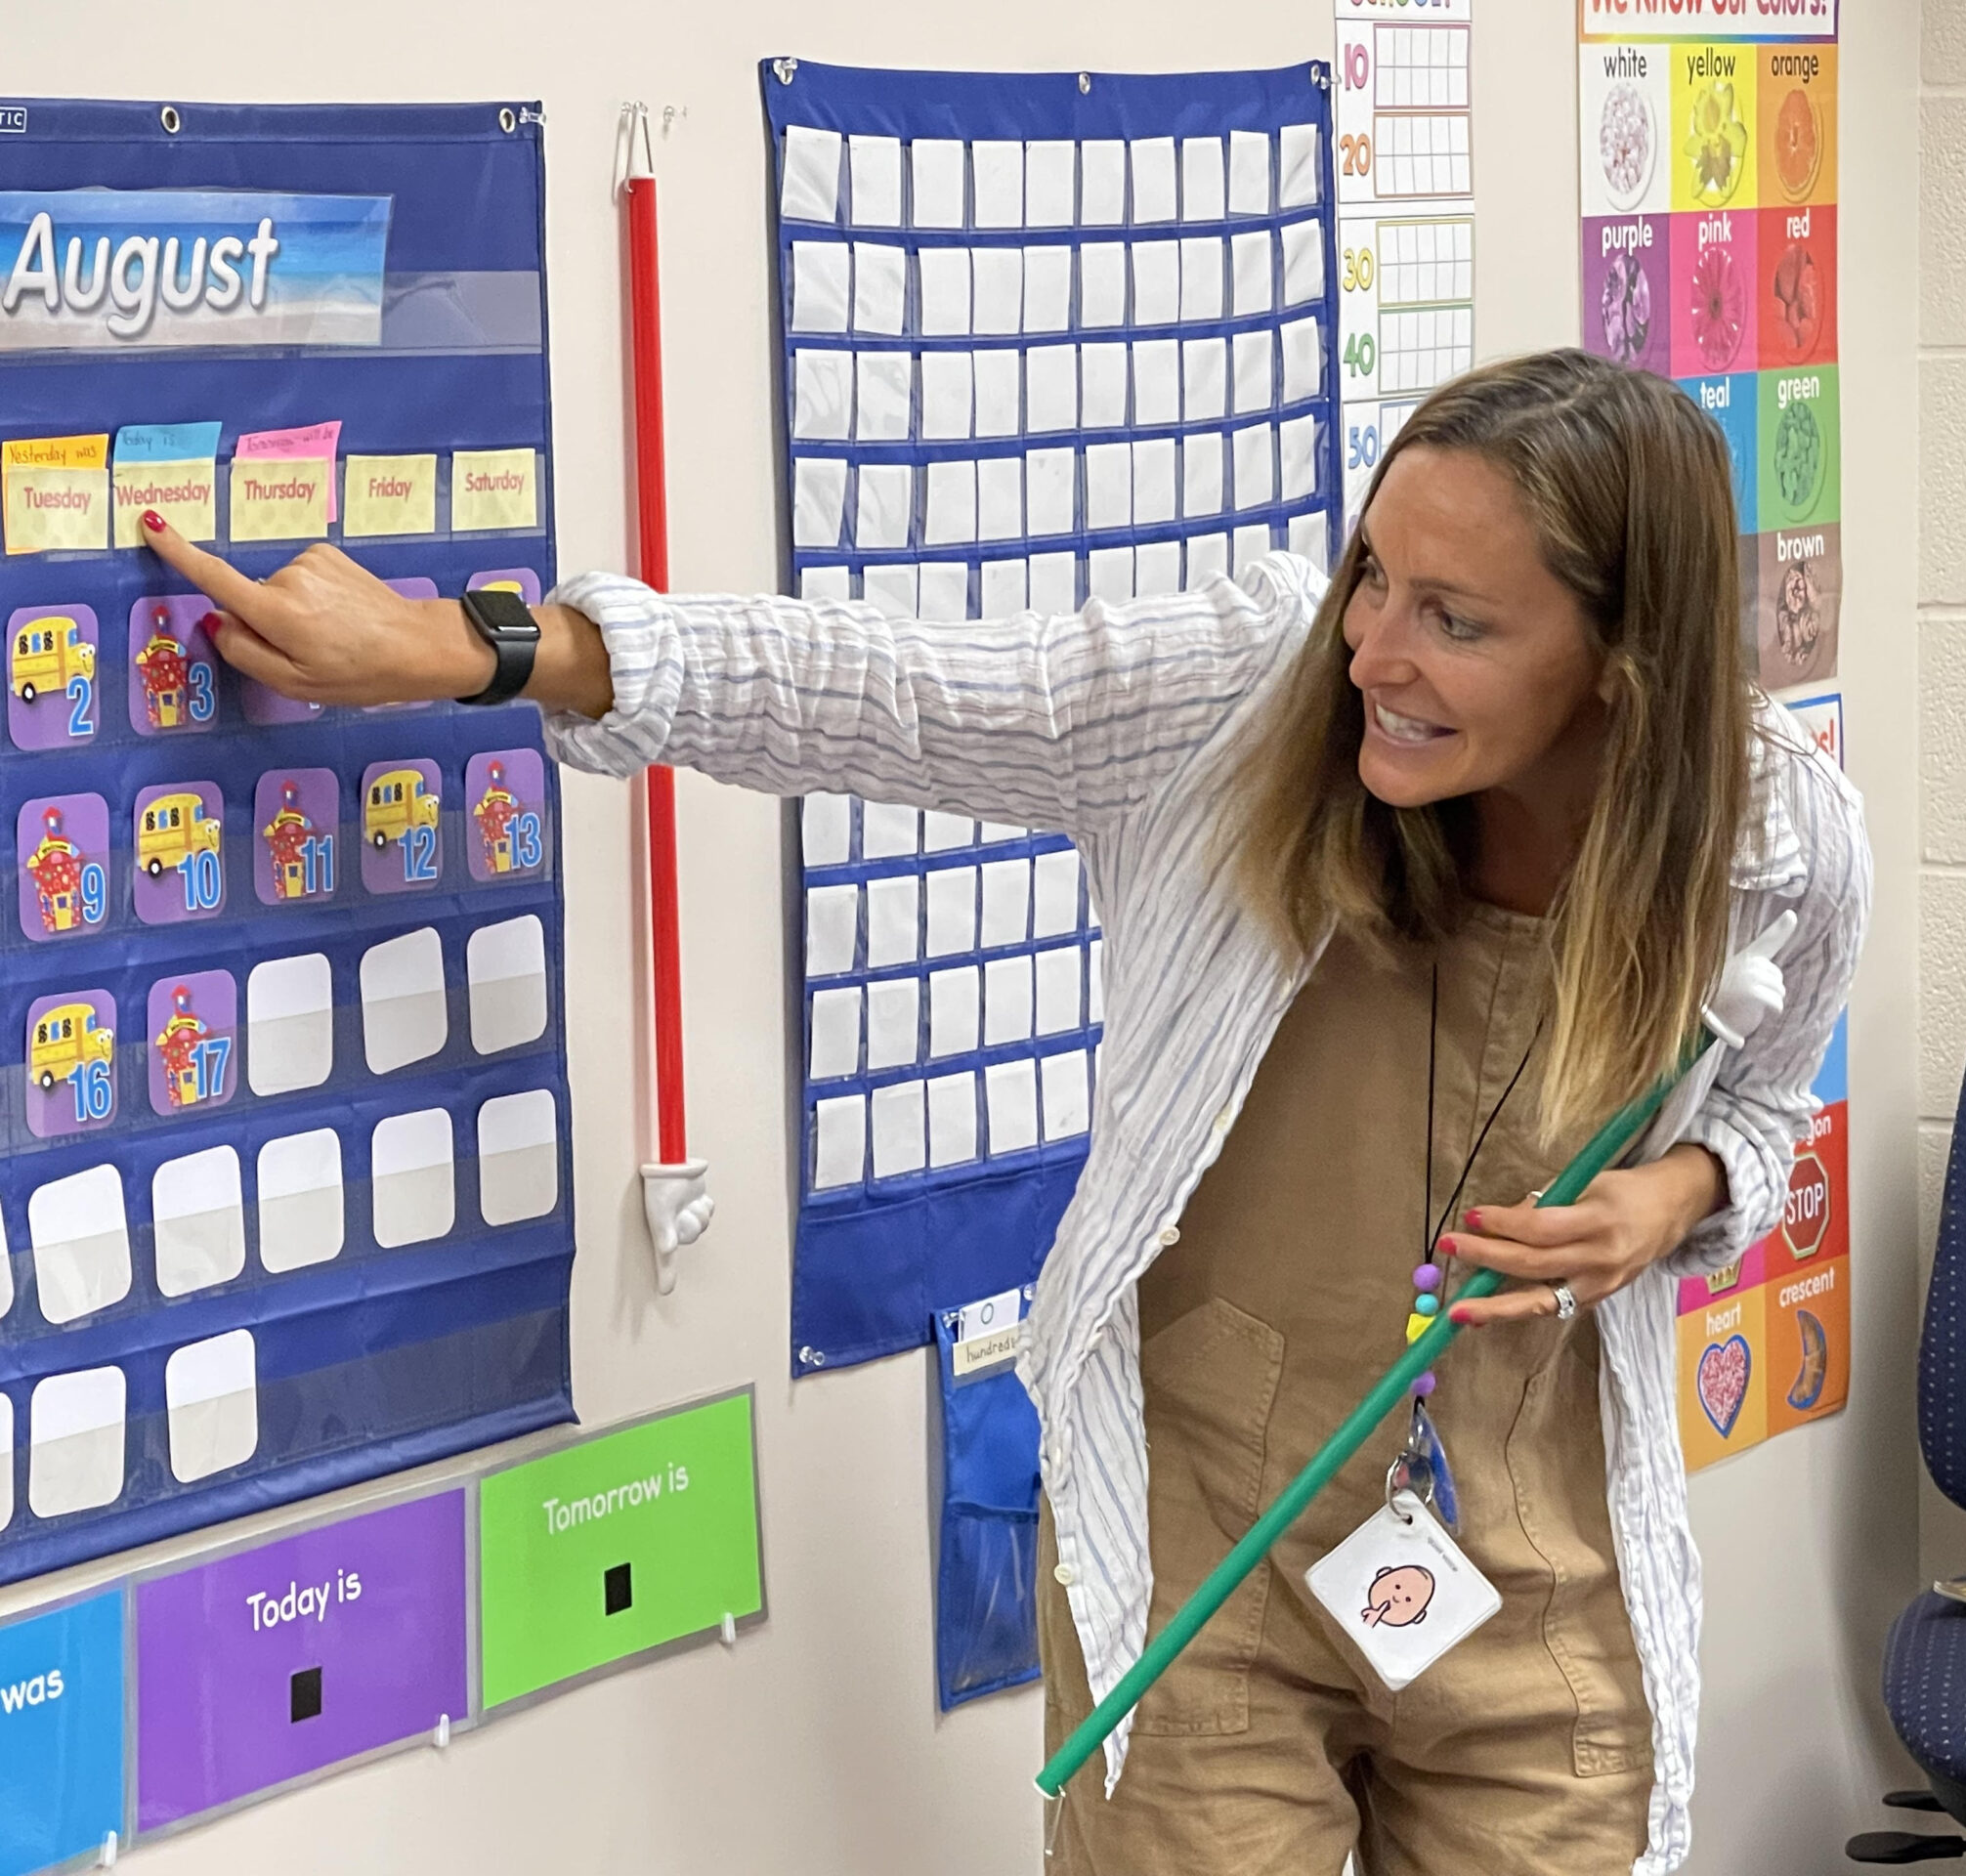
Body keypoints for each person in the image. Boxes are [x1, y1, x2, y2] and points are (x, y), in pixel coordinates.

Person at [141, 348, 1867, 1875]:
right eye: (1372, 578)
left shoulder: (1777, 851)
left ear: (1621, 665)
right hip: (1205, 1562)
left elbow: (1777, 1102)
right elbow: (888, 690)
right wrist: (482, 648)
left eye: (1456, 619)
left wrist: (1685, 1193)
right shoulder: (1251, 691)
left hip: (1527, 1582)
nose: (1370, 651)